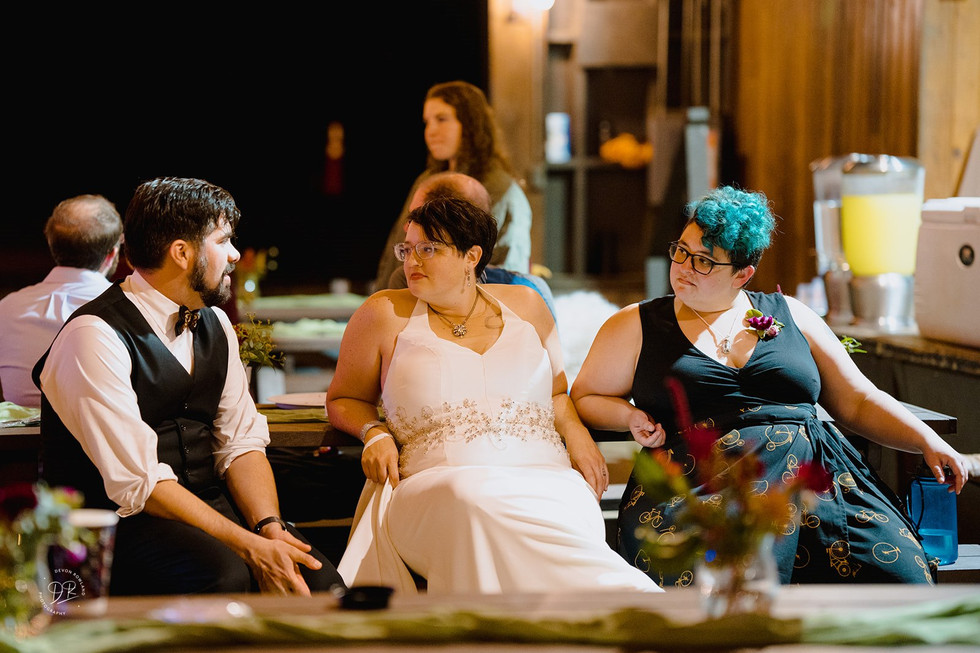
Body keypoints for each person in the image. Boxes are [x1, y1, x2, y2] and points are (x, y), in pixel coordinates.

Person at [570, 185, 969, 587]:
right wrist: (628, 414)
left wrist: (926, 440)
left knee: (900, 577)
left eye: (705, 261)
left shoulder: (792, 314)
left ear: (743, 274)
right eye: (682, 250)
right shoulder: (634, 325)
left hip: (818, 485)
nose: (684, 267)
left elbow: (860, 400)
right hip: (701, 488)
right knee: (724, 582)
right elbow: (585, 395)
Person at [327, 197, 660, 594]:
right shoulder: (383, 313)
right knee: (470, 499)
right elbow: (343, 398)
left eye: (428, 249)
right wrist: (374, 433)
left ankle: (610, 609)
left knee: (567, 504)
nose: (412, 261)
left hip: (546, 478)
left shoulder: (528, 305)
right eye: (407, 249)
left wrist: (578, 435)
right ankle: (619, 601)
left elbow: (556, 392)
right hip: (440, 486)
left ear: (472, 255)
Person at [33, 177, 345, 596]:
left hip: (209, 507)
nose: (235, 255)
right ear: (182, 253)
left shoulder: (215, 322)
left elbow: (240, 444)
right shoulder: (92, 335)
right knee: (226, 578)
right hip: (119, 524)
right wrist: (248, 548)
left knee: (323, 582)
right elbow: (140, 482)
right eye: (223, 241)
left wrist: (268, 529)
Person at [374, 80, 533, 292]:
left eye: (442, 119)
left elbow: (504, 276)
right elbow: (395, 250)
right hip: (405, 305)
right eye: (427, 122)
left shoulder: (502, 190)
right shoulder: (427, 181)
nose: (431, 131)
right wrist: (383, 301)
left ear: (470, 124)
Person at [0, 194, 123, 407]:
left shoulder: (6, 308)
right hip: (87, 438)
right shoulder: (127, 307)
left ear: (51, 244)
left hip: (15, 440)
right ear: (111, 254)